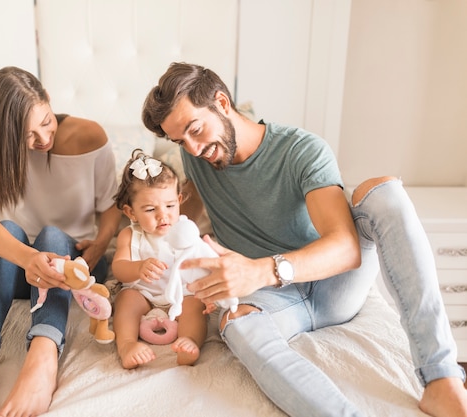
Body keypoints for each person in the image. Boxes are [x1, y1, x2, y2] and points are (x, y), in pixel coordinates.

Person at [141, 62, 467, 417]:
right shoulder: (198, 160)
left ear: (221, 102)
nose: (192, 148)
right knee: (235, 323)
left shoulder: (301, 150)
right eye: (179, 141)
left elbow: (346, 248)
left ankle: (441, 379)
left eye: (195, 130)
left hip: (332, 284)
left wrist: (261, 271)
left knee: (383, 192)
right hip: (274, 302)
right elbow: (183, 214)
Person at [0, 66, 122, 417]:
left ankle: (43, 356)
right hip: (22, 267)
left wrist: (101, 242)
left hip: (76, 266)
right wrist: (30, 258)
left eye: (46, 121)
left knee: (53, 236)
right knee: (8, 230)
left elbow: (111, 208)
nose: (43, 139)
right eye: (27, 136)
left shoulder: (89, 136)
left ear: (48, 100)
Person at [112, 149, 210, 368]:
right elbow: (119, 267)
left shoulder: (186, 230)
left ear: (179, 200)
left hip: (181, 293)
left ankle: (190, 341)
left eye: (169, 206)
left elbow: (202, 262)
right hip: (144, 294)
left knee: (195, 306)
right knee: (125, 300)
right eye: (149, 209)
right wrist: (137, 268)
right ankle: (126, 345)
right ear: (131, 212)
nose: (162, 215)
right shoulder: (131, 234)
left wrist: (208, 290)